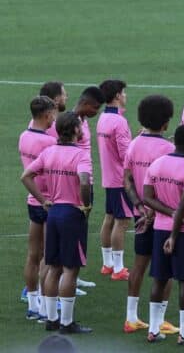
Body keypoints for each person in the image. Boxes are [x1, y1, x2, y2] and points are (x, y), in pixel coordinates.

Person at [21, 112, 94, 335]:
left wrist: (43, 200)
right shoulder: (81, 155)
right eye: (79, 127)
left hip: (52, 213)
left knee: (53, 267)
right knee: (70, 269)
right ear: (74, 130)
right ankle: (67, 323)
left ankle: (51, 319)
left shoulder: (49, 151)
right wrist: (86, 204)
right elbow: (83, 181)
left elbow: (26, 176)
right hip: (72, 213)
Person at [142, 125, 184, 345]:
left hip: (159, 228)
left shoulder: (157, 164)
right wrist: (174, 236)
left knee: (159, 278)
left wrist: (167, 213)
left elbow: (147, 197)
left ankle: (153, 329)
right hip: (183, 232)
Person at [122, 94, 178, 335]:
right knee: (165, 270)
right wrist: (154, 211)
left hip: (142, 214)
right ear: (165, 123)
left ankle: (131, 317)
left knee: (139, 263)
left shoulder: (134, 144)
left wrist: (139, 207)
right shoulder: (168, 149)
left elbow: (127, 180)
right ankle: (160, 320)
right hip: (162, 216)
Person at [20, 96, 58, 322]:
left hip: (32, 201)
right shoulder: (48, 144)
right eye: (53, 114)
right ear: (46, 115)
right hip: (48, 201)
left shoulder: (23, 136)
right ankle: (45, 307)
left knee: (33, 255)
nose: (55, 118)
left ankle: (33, 304)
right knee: (48, 258)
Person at [96, 79, 133, 281]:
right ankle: (118, 268)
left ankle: (107, 263)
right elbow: (125, 155)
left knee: (109, 218)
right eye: (124, 93)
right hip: (120, 180)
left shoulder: (103, 118)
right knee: (122, 221)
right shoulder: (119, 122)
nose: (125, 96)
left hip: (109, 177)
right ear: (117, 96)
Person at [71, 86, 105, 157]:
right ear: (85, 103)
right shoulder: (71, 123)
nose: (97, 112)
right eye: (95, 107)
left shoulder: (83, 120)